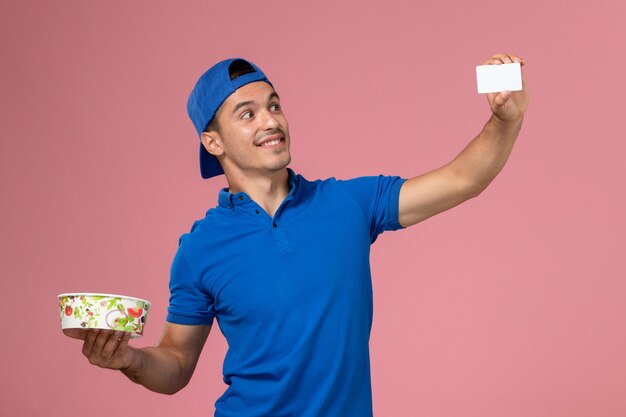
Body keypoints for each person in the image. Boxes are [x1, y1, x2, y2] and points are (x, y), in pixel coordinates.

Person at [78, 53, 529, 416]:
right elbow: (176, 363)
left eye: (274, 105)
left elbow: (463, 179)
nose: (271, 121)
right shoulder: (199, 249)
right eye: (247, 113)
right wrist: (131, 361)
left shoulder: (349, 204)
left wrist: (506, 121)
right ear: (213, 143)